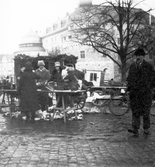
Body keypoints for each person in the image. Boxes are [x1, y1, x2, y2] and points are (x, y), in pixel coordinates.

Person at [126, 47, 155, 136]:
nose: (138, 57)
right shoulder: (132, 66)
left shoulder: (148, 66)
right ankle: (135, 128)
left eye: (140, 56)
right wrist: (128, 89)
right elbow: (129, 78)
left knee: (145, 111)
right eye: (137, 56)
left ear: (143, 56)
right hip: (135, 93)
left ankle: (146, 128)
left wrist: (150, 88)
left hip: (145, 93)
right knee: (135, 111)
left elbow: (153, 79)